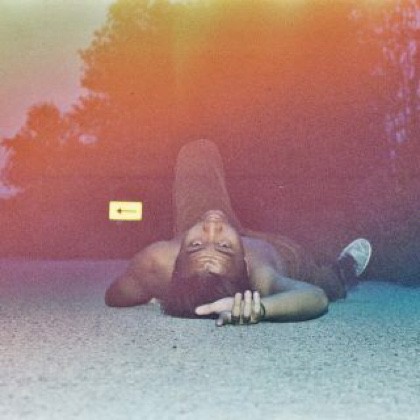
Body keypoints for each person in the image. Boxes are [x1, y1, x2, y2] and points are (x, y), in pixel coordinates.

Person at [105, 140, 372, 326]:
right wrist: (262, 309)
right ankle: (342, 272)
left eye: (195, 245)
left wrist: (170, 293)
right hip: (282, 254)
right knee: (325, 281)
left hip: (195, 228)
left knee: (196, 152)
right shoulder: (262, 275)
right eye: (224, 247)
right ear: (244, 263)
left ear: (177, 259)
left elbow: (113, 297)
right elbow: (315, 297)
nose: (212, 229)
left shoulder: (156, 260)